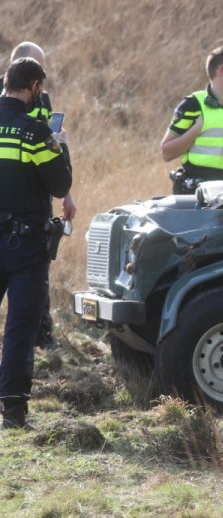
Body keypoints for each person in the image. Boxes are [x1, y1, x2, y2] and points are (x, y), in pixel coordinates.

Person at [0, 58, 72, 429]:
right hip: (24, 245)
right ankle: (12, 412)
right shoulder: (34, 131)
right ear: (34, 87)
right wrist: (61, 146)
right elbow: (59, 185)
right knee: (20, 326)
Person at [3, 41, 75, 350]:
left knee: (35, 275)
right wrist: (59, 147)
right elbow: (45, 143)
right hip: (16, 195)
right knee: (27, 278)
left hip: (37, 192)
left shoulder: (40, 102)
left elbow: (46, 148)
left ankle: (43, 333)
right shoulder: (10, 104)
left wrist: (67, 195)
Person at [161, 45, 223, 194]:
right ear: (222, 70)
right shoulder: (193, 105)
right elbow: (166, 153)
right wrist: (196, 130)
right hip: (199, 196)